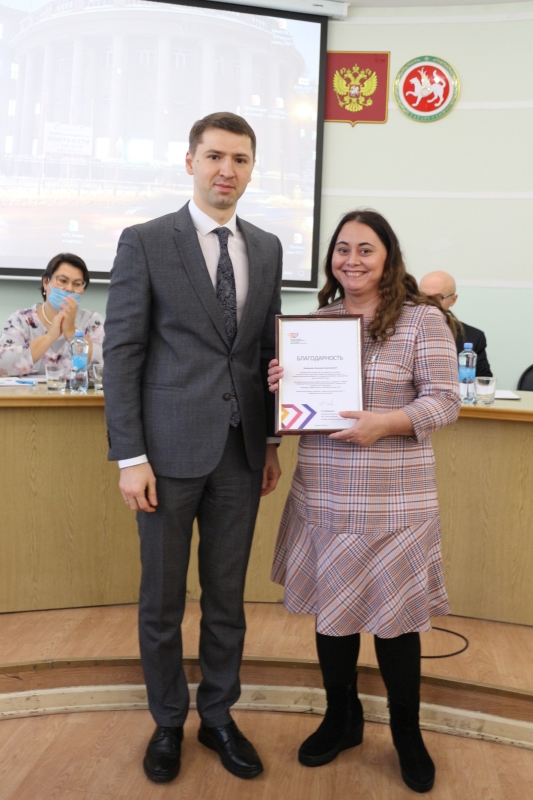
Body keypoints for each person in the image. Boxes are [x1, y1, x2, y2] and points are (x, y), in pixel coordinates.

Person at [103, 112, 282, 785]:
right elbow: (122, 353)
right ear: (189, 162)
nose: (226, 170)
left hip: (241, 454)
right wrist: (130, 458)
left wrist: (270, 440)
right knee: (161, 599)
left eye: (239, 159)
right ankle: (167, 721)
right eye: (214, 156)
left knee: (227, 597)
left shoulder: (267, 248)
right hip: (164, 457)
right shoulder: (147, 241)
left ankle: (218, 716)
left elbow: (265, 351)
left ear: (251, 169)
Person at [268, 210, 461, 794]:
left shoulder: (423, 319)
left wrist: (387, 423)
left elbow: (446, 401)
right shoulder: (316, 324)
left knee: (396, 627)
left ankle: (407, 734)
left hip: (395, 502)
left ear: (388, 257)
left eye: (366, 249)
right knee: (334, 618)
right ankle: (341, 719)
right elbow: (302, 413)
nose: (351, 260)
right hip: (325, 494)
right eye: (342, 249)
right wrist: (283, 388)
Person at [0, 253, 103, 377]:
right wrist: (49, 337)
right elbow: (3, 365)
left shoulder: (92, 321)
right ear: (45, 282)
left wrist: (72, 332)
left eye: (77, 284)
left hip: (78, 390)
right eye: (63, 281)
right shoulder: (21, 320)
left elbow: (109, 366)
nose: (69, 289)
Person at [419, 270, 492, 377]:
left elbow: (483, 380)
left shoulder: (473, 337)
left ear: (453, 300)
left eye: (437, 298)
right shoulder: (402, 330)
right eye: (423, 296)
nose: (428, 303)